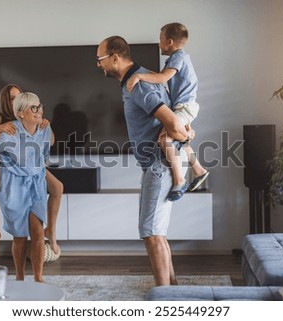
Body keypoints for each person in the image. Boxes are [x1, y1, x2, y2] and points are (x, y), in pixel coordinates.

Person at [97, 35, 194, 286]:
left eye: (101, 59)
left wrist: (184, 135)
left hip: (159, 164)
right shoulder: (139, 78)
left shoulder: (138, 84)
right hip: (158, 163)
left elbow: (171, 121)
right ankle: (171, 290)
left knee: (151, 233)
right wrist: (185, 135)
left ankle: (165, 297)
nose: (99, 64)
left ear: (115, 58)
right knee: (156, 233)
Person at [0, 84, 63, 261]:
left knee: (58, 187)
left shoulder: (33, 117)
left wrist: (45, 124)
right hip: (1, 161)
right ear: (6, 102)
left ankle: (51, 231)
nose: (16, 99)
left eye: (19, 96)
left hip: (27, 163)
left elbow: (49, 142)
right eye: (12, 97)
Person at [127, 23, 208, 201]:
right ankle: (199, 170)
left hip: (184, 106)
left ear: (169, 41)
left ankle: (180, 180)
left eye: (160, 39)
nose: (158, 43)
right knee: (181, 140)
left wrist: (138, 75)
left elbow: (162, 78)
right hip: (184, 106)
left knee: (165, 138)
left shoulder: (178, 57)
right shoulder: (180, 58)